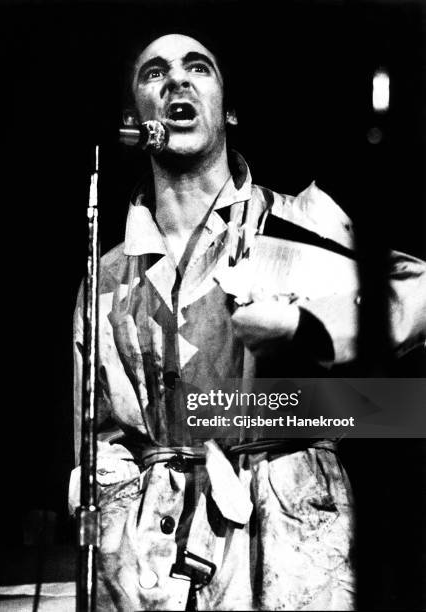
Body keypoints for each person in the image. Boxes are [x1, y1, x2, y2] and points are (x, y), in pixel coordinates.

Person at [70, 32, 426, 611]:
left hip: (290, 544)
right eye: (154, 73)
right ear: (135, 117)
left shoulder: (295, 223)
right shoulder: (106, 276)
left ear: (227, 108)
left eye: (198, 68)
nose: (177, 81)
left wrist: (307, 326)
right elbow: (101, 444)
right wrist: (118, 538)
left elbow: (420, 295)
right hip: (154, 559)